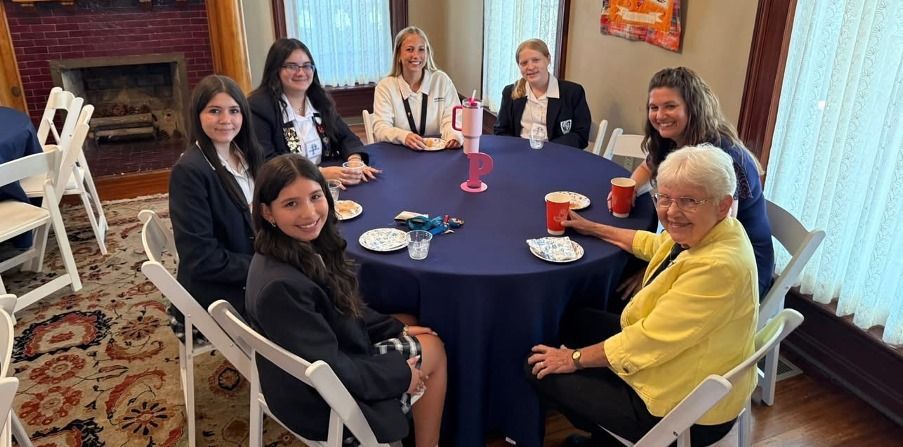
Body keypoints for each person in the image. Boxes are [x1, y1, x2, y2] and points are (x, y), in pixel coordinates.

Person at [528, 145, 759, 447]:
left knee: (538, 369)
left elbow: (645, 341)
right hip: (681, 366)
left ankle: (611, 437)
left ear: (722, 204)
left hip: (679, 409)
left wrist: (572, 359)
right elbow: (654, 245)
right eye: (665, 198)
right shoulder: (716, 231)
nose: (672, 212)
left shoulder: (718, 268)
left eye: (689, 200)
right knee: (573, 318)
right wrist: (591, 227)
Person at [245, 154, 447, 446]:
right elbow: (331, 368)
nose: (309, 213)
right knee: (435, 349)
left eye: (315, 196)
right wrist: (400, 376)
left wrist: (395, 328)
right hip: (322, 403)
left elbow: (339, 308)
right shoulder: (281, 287)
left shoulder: (286, 248)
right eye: (291, 204)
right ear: (267, 212)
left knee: (410, 322)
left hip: (323, 362)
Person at [620, 66, 773, 298]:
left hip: (736, 270)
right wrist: (630, 189)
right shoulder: (673, 138)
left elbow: (716, 232)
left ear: (694, 107)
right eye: (654, 107)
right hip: (692, 245)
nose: (660, 116)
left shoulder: (723, 157)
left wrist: (655, 272)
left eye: (670, 106)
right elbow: (648, 165)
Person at [169, 74, 261, 317]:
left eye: (234, 111)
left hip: (248, 260)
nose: (226, 120)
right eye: (214, 111)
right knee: (307, 296)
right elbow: (201, 259)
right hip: (219, 288)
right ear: (198, 116)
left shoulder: (245, 154)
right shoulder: (189, 172)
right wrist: (266, 266)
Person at [248, 38, 379, 185]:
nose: (301, 72)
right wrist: (320, 173)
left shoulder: (320, 101)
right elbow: (267, 164)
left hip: (328, 186)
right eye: (292, 66)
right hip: (287, 189)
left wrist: (355, 161)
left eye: (306, 66)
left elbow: (347, 137)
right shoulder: (260, 107)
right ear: (276, 69)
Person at [372, 26, 463, 150]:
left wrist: (453, 135)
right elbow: (380, 128)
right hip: (400, 153)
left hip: (437, 151)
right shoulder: (385, 86)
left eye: (421, 49)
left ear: (427, 53)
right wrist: (404, 136)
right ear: (398, 54)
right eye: (409, 49)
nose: (416, 55)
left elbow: (452, 118)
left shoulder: (441, 80)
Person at [493, 38, 591, 149]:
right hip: (520, 154)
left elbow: (581, 135)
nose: (530, 67)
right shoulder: (510, 93)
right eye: (524, 63)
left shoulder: (572, 93)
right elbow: (500, 131)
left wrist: (548, 149)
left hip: (557, 156)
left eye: (536, 60)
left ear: (548, 59)